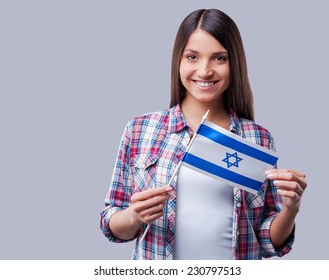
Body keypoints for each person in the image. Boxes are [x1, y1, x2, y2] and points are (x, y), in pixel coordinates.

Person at [100, 8, 307, 260]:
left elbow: (267, 241)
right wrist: (134, 215)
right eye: (193, 57)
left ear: (235, 64)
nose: (205, 70)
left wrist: (291, 208)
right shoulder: (140, 129)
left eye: (219, 58)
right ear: (179, 59)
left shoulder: (256, 138)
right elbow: (110, 223)